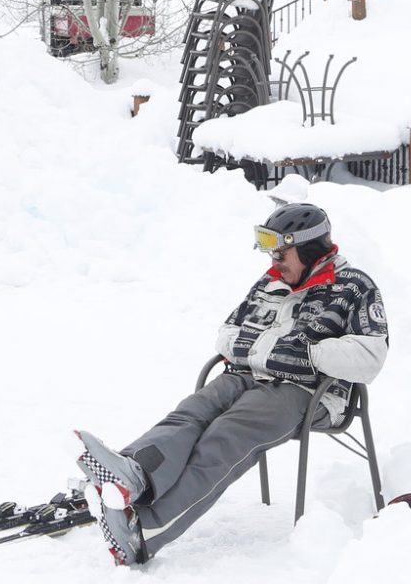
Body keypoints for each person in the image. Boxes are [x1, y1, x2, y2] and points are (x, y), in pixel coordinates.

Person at [74, 200, 389, 566]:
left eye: (281, 252)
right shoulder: (270, 283)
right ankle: (134, 474)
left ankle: (145, 532)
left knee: (225, 435)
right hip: (244, 377)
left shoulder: (354, 287)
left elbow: (370, 357)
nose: (274, 261)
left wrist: (302, 353)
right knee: (190, 414)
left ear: (308, 247)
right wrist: (258, 350)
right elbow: (227, 333)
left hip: (307, 392)